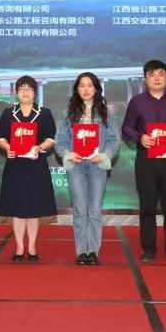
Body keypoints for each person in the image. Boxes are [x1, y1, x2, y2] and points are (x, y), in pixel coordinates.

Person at [122, 59, 166, 263]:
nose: (157, 78)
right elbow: (126, 127)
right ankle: (148, 249)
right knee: (147, 207)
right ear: (145, 78)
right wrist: (140, 137)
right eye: (152, 75)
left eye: (161, 74)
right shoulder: (137, 102)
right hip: (146, 160)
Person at [55, 72, 120, 265]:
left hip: (97, 165)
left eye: (90, 85)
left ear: (96, 89)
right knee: (80, 209)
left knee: (94, 210)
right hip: (75, 166)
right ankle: (81, 252)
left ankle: (93, 251)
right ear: (76, 89)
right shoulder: (67, 114)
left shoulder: (106, 113)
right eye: (81, 85)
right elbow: (60, 141)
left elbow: (114, 140)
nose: (85, 89)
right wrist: (68, 154)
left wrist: (105, 155)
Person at [0, 76, 57, 261]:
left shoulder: (44, 113)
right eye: (21, 88)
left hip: (36, 166)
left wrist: (40, 147)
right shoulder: (8, 113)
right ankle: (19, 247)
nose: (25, 92)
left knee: (33, 208)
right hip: (15, 166)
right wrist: (7, 147)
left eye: (29, 89)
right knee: (17, 208)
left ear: (34, 93)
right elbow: (0, 138)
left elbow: (51, 138)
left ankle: (31, 246)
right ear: (17, 92)